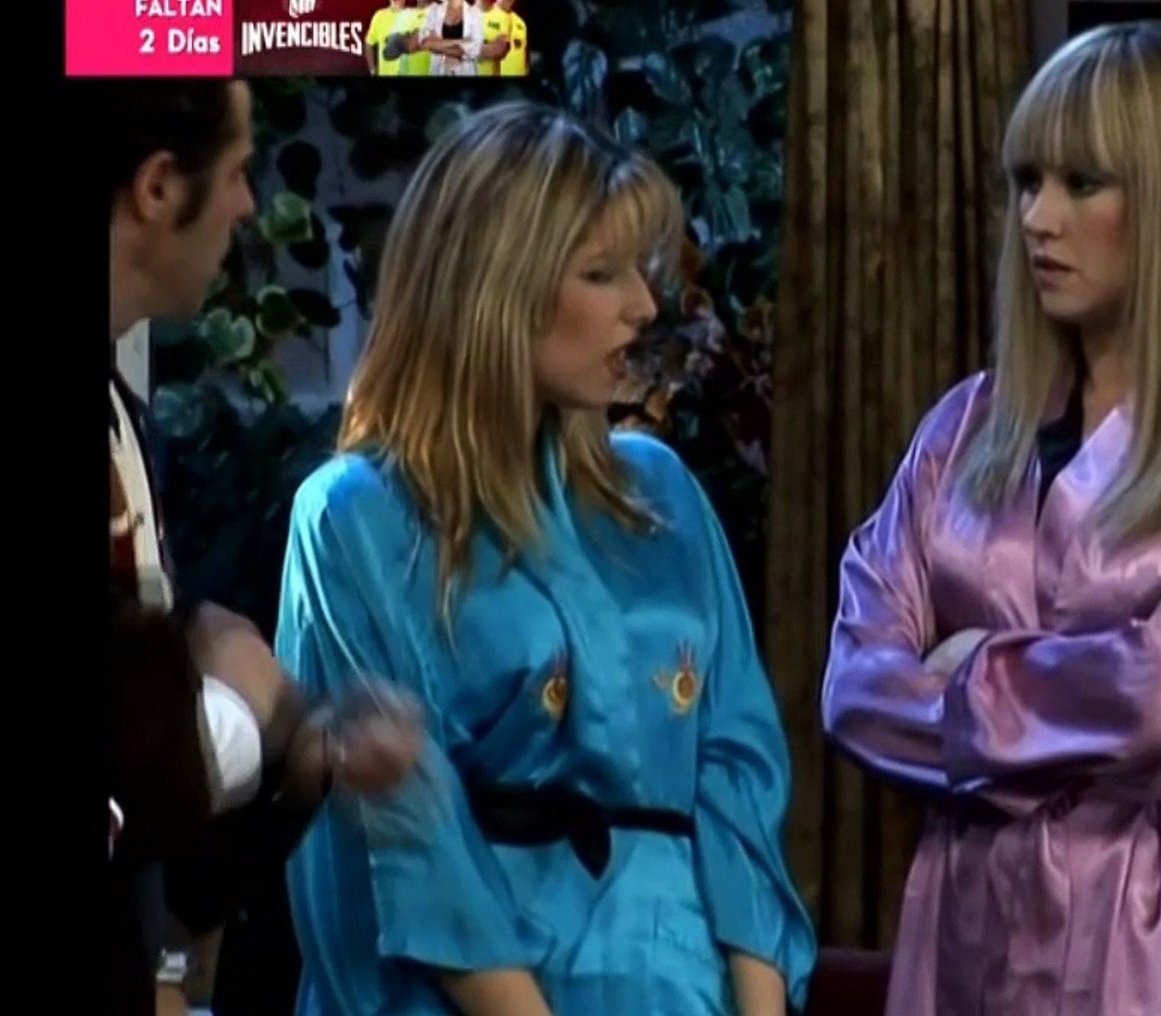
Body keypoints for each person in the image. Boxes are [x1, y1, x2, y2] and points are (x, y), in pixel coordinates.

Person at [820, 20, 1161, 1015]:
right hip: (973, 916)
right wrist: (1091, 703)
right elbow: (855, 688)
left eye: (1081, 183)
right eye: (1027, 181)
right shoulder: (965, 426)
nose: (1038, 218)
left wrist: (970, 671)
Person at [277, 100, 816, 1016]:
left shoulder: (663, 494)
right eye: (601, 274)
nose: (643, 306)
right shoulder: (356, 518)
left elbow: (737, 767)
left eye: (638, 271)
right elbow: (411, 844)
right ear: (496, 291)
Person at [105, 79, 424, 1016]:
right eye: (241, 170)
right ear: (159, 186)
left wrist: (297, 765)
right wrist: (233, 711)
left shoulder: (123, 420)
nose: (250, 204)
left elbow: (158, 852)